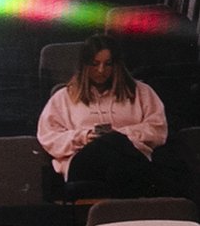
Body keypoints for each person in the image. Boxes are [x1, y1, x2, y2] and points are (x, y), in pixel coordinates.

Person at [35, 33, 168, 196]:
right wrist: (84, 137)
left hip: (131, 158)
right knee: (110, 149)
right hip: (84, 162)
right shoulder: (64, 97)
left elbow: (157, 129)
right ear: (84, 65)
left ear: (117, 65)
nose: (101, 70)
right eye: (94, 64)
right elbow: (49, 137)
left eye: (108, 64)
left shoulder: (142, 92)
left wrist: (120, 135)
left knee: (117, 151)